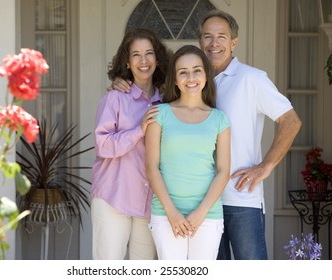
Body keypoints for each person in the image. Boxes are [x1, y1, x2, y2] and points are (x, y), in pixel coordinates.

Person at [110, 10, 302, 260]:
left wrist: (265, 167)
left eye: (221, 36)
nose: (214, 43)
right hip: (201, 202)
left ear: (234, 42)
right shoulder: (194, 78)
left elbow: (291, 121)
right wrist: (120, 82)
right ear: (200, 41)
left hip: (241, 198)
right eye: (207, 36)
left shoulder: (252, 79)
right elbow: (147, 78)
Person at [145, 45, 230, 260]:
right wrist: (172, 213)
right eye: (183, 72)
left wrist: (200, 213)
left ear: (206, 76)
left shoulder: (219, 119)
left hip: (207, 216)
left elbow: (223, 171)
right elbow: (151, 167)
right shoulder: (159, 114)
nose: (190, 77)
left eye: (197, 70)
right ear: (174, 79)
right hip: (166, 214)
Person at [91, 28, 169, 260]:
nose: (143, 61)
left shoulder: (168, 102)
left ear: (157, 58)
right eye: (136, 54)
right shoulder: (114, 98)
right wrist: (139, 130)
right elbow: (103, 146)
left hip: (149, 203)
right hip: (113, 199)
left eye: (149, 53)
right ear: (127, 61)